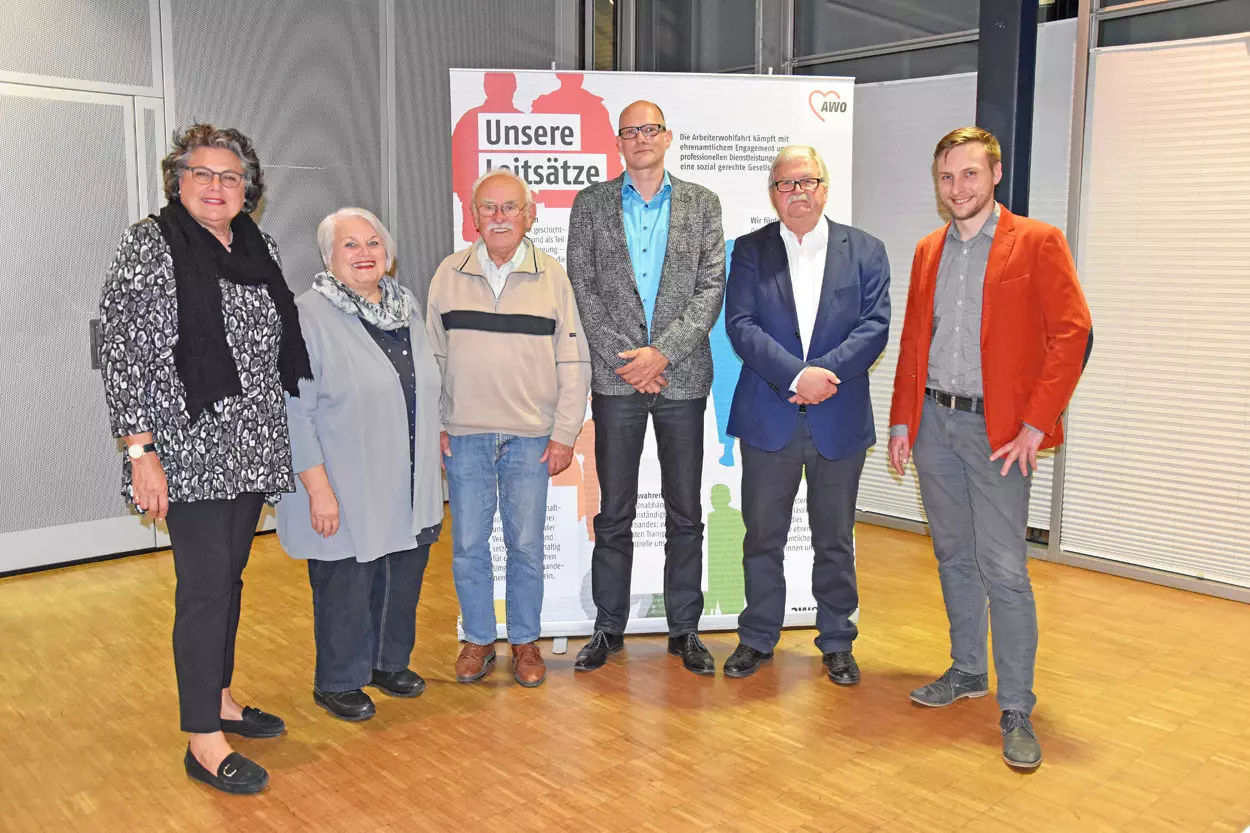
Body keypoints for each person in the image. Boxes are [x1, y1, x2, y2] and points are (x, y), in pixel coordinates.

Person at [99, 124, 312, 794]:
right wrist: (141, 452)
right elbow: (122, 352)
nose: (218, 187)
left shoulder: (258, 245)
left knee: (231, 578)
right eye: (203, 174)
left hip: (248, 445)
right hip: (185, 446)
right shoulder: (150, 244)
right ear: (178, 180)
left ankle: (219, 697)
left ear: (249, 189)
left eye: (231, 176)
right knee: (204, 588)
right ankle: (204, 740)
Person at [888, 127, 1091, 769]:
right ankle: (968, 671)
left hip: (1000, 434)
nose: (958, 189)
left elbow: (1073, 334)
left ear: (994, 174)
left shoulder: (1037, 241)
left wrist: (1036, 423)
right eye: (947, 178)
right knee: (952, 554)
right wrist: (901, 422)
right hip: (934, 427)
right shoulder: (927, 250)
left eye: (970, 175)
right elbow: (916, 339)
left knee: (1003, 567)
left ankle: (1016, 706)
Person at [566, 100, 726, 675]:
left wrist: (663, 354)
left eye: (650, 129)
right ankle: (608, 627)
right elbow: (581, 289)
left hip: (682, 377)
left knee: (686, 511)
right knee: (615, 512)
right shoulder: (590, 205)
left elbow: (712, 286)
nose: (640, 139)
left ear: (667, 137)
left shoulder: (703, 204)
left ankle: (684, 629)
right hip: (615, 380)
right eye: (630, 131)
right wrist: (630, 361)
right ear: (618, 141)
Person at [722, 146, 891, 683]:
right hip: (769, 415)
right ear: (772, 194)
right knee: (762, 535)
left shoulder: (865, 250)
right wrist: (797, 377)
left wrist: (824, 377)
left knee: (835, 537)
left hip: (837, 418)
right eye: (785, 184)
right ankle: (757, 637)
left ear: (824, 187)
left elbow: (874, 326)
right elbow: (741, 325)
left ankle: (838, 639)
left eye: (806, 182)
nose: (797, 192)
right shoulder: (749, 251)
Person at [426, 169, 591, 687]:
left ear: (530, 215)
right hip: (466, 436)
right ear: (472, 216)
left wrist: (564, 432)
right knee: (469, 544)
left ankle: (524, 642)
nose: (499, 218)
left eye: (509, 208)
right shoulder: (447, 273)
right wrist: (435, 424)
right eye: (488, 209)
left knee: (525, 547)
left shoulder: (553, 277)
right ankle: (478, 638)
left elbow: (573, 360)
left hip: (531, 439)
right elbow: (431, 358)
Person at [278, 208, 443, 722]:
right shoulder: (305, 315)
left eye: (373, 242)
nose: (365, 253)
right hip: (343, 479)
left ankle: (387, 663)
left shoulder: (405, 305)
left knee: (402, 570)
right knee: (346, 579)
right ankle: (339, 680)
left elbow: (424, 380)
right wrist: (318, 491)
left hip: (409, 472)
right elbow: (294, 412)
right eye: (350, 245)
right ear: (329, 257)